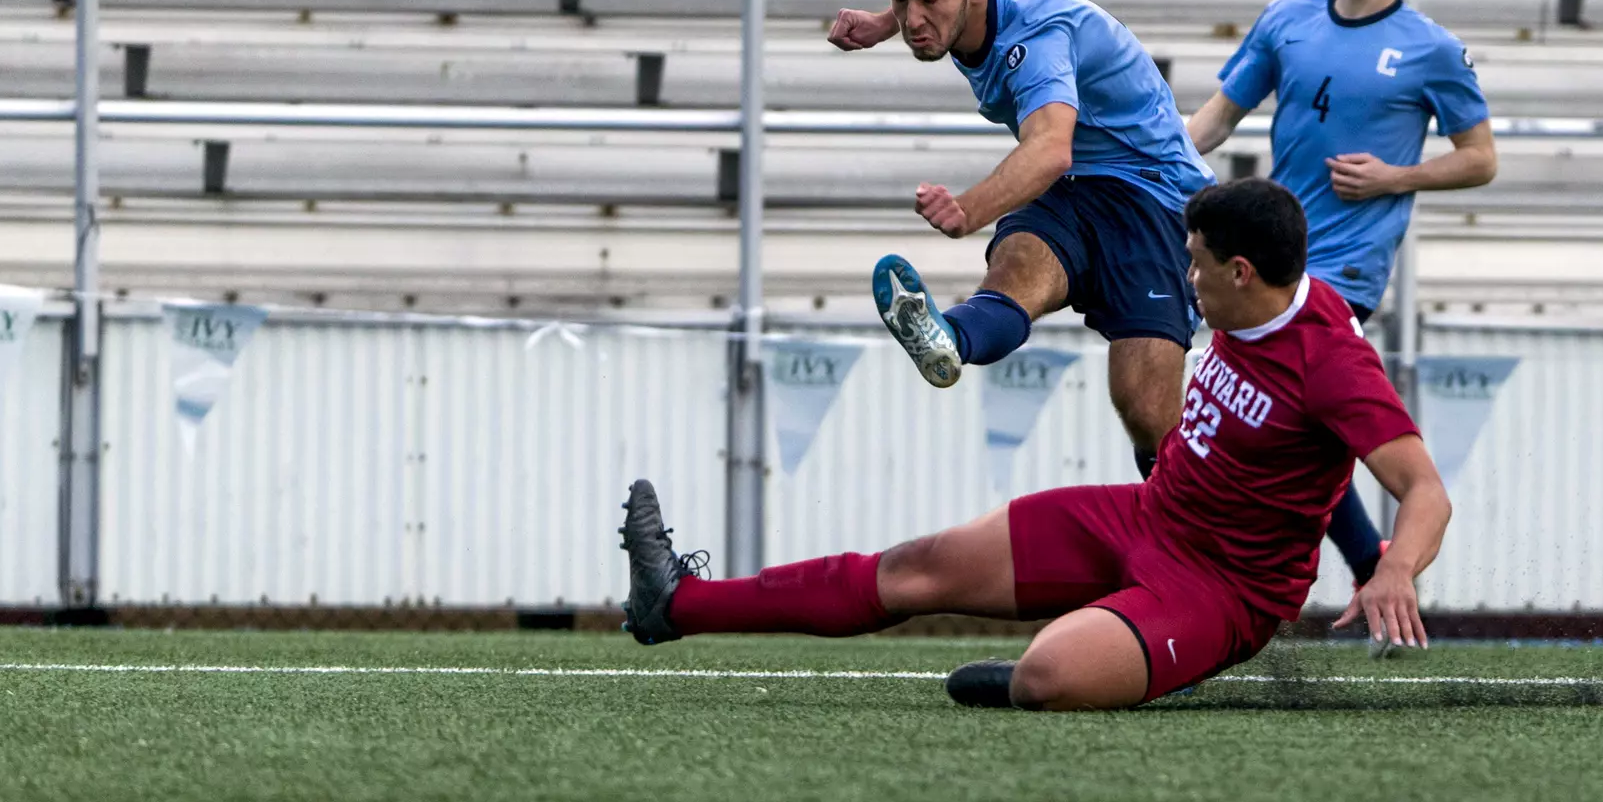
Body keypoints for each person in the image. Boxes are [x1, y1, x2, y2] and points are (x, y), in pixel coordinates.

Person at [617, 179, 1453, 710]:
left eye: (1196, 267)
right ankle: (676, 605)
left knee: (1049, 677)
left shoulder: (1333, 360)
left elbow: (1425, 490)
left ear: (1242, 272)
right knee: (916, 568)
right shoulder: (1252, 294)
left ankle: (1069, 666)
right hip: (1146, 517)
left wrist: (1390, 567)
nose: (1184, 281)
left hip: (1226, 590)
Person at [827, 0, 1216, 479]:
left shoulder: (1036, 38)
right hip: (1078, 188)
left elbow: (1049, 148)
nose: (913, 20)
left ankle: (1200, 535)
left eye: (929, 0)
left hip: (1152, 196)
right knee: (1015, 267)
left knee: (1145, 409)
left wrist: (967, 210)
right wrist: (885, 25)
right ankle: (950, 338)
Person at [1187, 0, 1495, 589]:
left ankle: (1284, 571)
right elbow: (1211, 123)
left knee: (1282, 420)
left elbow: (1480, 160)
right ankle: (1365, 566)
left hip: (1346, 269)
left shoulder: (1432, 50)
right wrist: (1144, 163)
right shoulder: (1285, 20)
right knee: (1280, 423)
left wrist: (1396, 177)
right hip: (1267, 262)